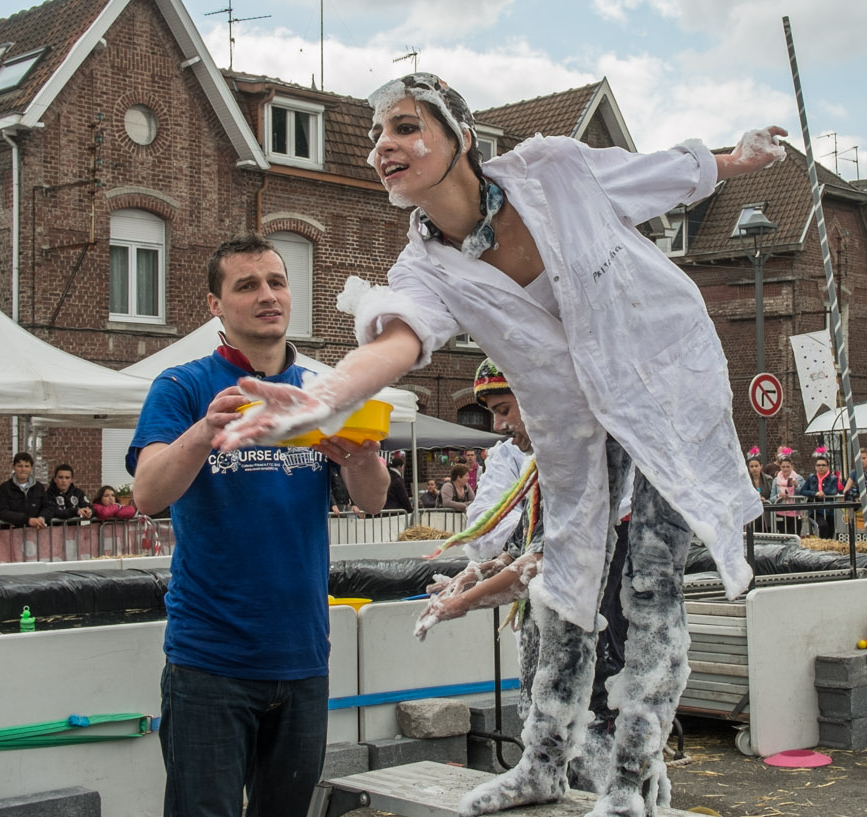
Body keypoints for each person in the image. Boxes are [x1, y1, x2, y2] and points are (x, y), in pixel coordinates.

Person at [212, 74, 779, 813]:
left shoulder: (552, 170)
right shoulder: (424, 269)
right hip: (573, 418)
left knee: (649, 581)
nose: (386, 147)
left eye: (407, 128)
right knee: (565, 580)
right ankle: (544, 760)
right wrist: (323, 398)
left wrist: (736, 158)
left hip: (662, 375)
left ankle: (634, 782)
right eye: (379, 136)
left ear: (461, 137)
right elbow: (397, 341)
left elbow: (658, 175)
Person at [129, 234, 390, 816]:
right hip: (209, 659)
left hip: (302, 656)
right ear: (214, 305)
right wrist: (203, 431)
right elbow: (147, 495)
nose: (267, 295)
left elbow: (373, 501)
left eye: (276, 281)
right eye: (246, 285)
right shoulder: (182, 386)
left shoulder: (323, 391)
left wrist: (359, 455)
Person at [417, 359, 638, 793]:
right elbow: (521, 550)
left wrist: (461, 604)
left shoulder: (585, 462)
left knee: (597, 784)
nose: (499, 425)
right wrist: (474, 572)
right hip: (555, 665)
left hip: (594, 671)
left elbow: (541, 562)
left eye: (504, 409)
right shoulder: (545, 466)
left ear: (539, 399)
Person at [0, 452, 48, 530]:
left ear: (31, 468)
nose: (23, 469)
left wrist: (42, 518)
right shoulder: (5, 488)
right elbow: (2, 512)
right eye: (20, 466)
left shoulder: (39, 487)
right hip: (11, 534)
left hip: (34, 534)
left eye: (27, 466)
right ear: (13, 467)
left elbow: (47, 506)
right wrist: (27, 520)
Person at [802, 456, 845, 539]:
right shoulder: (811, 478)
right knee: (823, 525)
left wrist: (823, 492)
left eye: (823, 465)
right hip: (815, 510)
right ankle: (822, 544)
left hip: (830, 509)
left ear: (828, 467)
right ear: (815, 467)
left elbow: (833, 490)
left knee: (830, 530)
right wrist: (815, 493)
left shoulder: (833, 478)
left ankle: (828, 546)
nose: (821, 467)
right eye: (818, 465)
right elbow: (803, 490)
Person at [769, 456, 806, 536]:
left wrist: (797, 486)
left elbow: (804, 495)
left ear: (792, 467)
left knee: (795, 537)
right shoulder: (776, 480)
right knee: (783, 538)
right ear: (780, 467)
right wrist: (779, 495)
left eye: (788, 467)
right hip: (780, 513)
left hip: (795, 513)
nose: (785, 469)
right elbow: (771, 499)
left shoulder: (799, 478)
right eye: (783, 467)